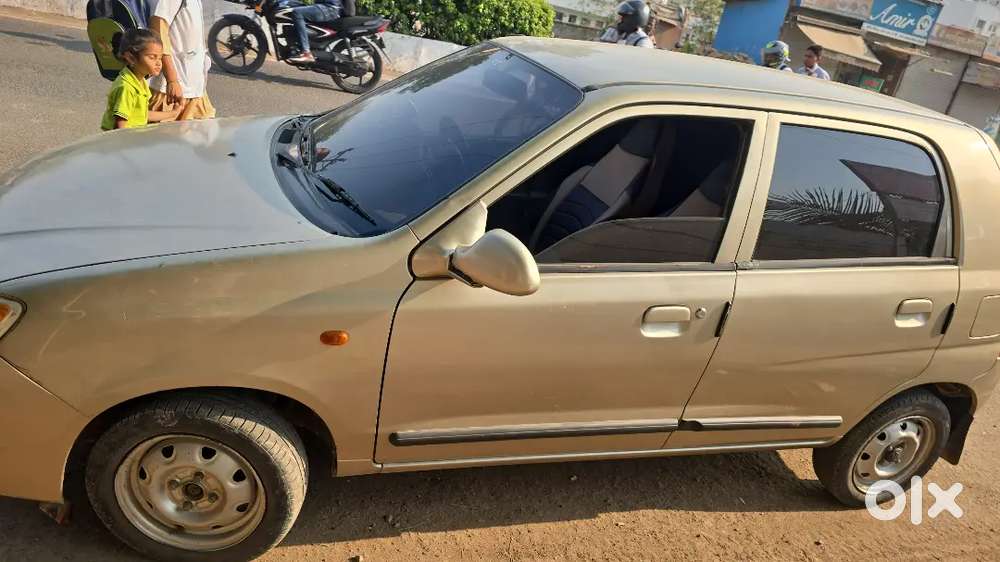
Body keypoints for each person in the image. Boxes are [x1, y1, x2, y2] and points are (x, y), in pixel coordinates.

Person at [147, 0, 216, 121]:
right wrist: (172, 80)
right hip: (171, 93)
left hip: (194, 88)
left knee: (199, 136)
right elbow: (158, 32)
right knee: (164, 137)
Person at [100, 29, 180, 130]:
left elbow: (142, 115)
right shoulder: (127, 87)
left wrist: (173, 113)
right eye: (152, 57)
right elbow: (120, 125)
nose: (159, 63)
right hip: (122, 141)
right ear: (131, 58)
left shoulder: (140, 81)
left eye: (160, 58)